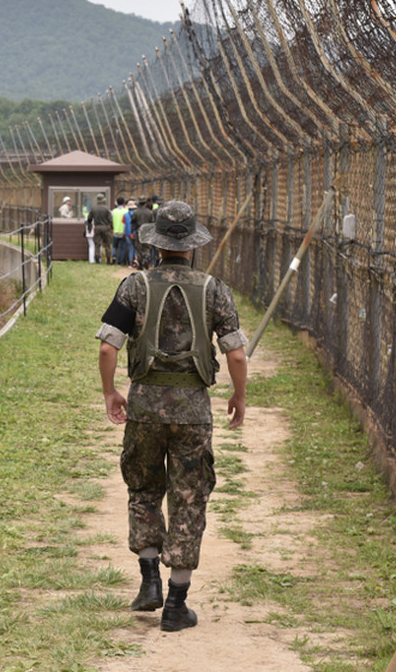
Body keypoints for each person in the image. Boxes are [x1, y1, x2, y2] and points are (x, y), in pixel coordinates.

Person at [96, 200, 248, 632]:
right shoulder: (215, 289)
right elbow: (235, 353)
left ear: (157, 243)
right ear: (193, 244)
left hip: (144, 405)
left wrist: (111, 392)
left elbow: (109, 346)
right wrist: (239, 396)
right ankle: (177, 605)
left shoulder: (135, 286)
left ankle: (148, 581)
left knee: (143, 487)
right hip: (193, 411)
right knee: (188, 496)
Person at [87, 194, 113, 264]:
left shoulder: (93, 208)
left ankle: (97, 259)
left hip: (97, 227)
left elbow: (89, 219)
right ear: (103, 200)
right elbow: (110, 219)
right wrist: (112, 228)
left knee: (97, 244)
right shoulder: (106, 208)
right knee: (107, 244)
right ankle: (108, 260)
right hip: (106, 227)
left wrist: (89, 228)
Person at [129, 198, 154, 268]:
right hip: (147, 231)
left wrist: (132, 232)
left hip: (138, 230)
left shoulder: (135, 212)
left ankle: (140, 264)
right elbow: (152, 223)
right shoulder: (150, 212)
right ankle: (146, 258)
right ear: (145, 203)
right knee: (146, 247)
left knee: (138, 247)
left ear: (139, 203)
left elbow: (132, 223)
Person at [111, 197, 129, 266]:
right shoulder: (126, 210)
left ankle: (114, 257)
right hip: (123, 232)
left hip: (115, 231)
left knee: (114, 246)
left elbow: (111, 221)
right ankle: (120, 261)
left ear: (117, 203)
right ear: (124, 203)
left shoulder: (113, 211)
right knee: (122, 247)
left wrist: (112, 229)